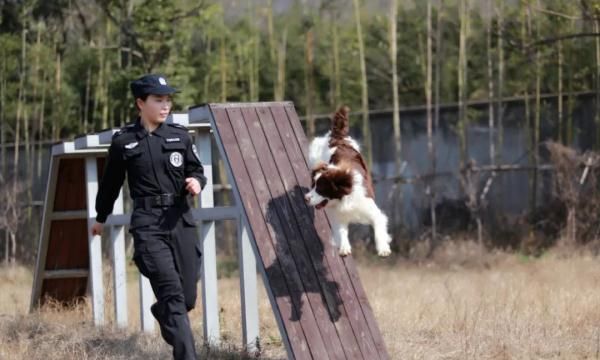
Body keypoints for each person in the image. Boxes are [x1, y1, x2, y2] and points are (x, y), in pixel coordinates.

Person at [90, 74, 206, 360]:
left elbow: (197, 169)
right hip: (148, 225)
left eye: (168, 100)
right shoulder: (124, 142)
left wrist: (196, 182)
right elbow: (111, 184)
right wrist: (100, 217)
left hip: (181, 219)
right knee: (174, 296)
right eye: (158, 100)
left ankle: (162, 311)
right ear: (140, 103)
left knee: (186, 297)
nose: (165, 105)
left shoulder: (179, 136)